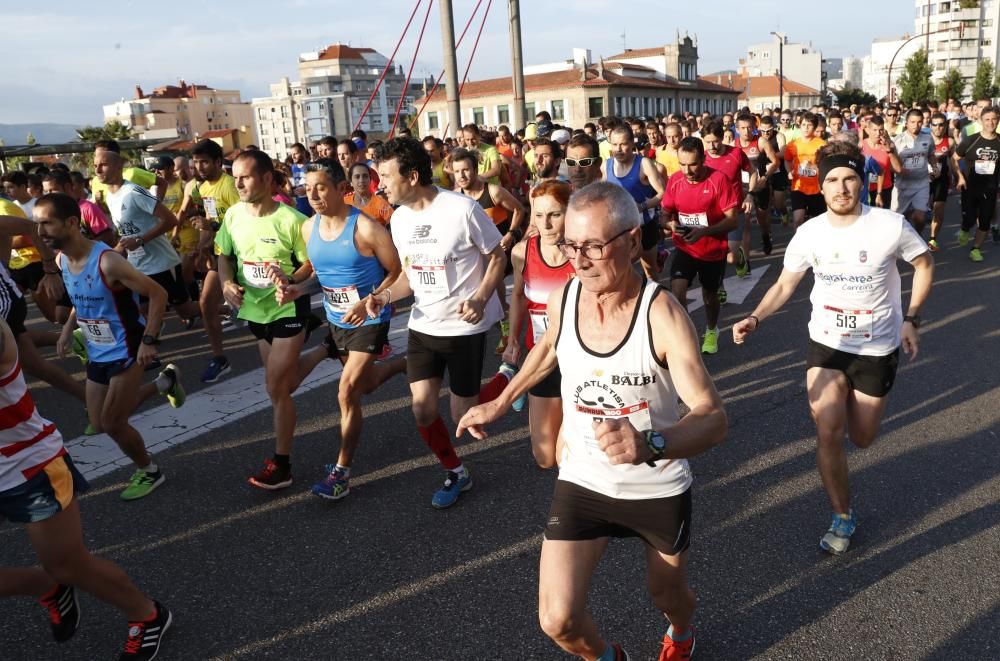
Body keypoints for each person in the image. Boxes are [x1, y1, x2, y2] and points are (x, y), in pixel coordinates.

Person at [457, 181, 728, 661]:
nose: (579, 260)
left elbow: (712, 418)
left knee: (667, 596)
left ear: (631, 242)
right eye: (570, 246)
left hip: (654, 484)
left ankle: (683, 632)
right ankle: (608, 658)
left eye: (594, 247)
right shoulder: (567, 296)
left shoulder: (661, 316)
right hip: (584, 478)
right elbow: (548, 351)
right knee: (556, 619)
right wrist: (501, 401)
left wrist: (651, 443)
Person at [734, 140, 933, 554]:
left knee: (860, 438)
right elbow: (785, 284)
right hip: (826, 342)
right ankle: (842, 516)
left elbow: (924, 264)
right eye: (832, 181)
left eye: (848, 179)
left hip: (877, 346)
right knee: (828, 430)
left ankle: (851, 407)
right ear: (820, 188)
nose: (841, 188)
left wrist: (912, 318)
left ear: (861, 183)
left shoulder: (889, 226)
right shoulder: (809, 234)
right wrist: (755, 317)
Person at [0, 315, 173, 660]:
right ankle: (45, 586)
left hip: (26, 465)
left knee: (68, 565)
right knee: (55, 573)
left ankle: (146, 614)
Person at [369, 137, 511, 508]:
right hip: (423, 326)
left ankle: (509, 379)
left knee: (462, 415)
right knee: (422, 408)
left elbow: (497, 254)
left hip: (463, 329)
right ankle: (456, 472)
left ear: (412, 176)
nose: (379, 185)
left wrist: (480, 297)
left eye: (385, 176)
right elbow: (409, 277)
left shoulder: (462, 209)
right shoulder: (398, 219)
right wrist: (383, 297)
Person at [272, 159, 406, 500]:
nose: (313, 195)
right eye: (309, 188)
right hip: (337, 318)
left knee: (346, 393)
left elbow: (397, 270)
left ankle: (341, 472)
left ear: (340, 190)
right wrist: (294, 287)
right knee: (368, 384)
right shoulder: (308, 228)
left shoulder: (365, 228)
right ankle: (410, 362)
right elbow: (316, 271)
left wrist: (372, 300)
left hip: (370, 317)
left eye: (321, 188)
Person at [36, 193, 185, 500]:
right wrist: (67, 329)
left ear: (72, 223)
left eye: (46, 223)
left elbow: (157, 294)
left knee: (113, 422)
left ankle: (149, 470)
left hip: (126, 347)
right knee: (98, 421)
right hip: (96, 350)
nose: (40, 232)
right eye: (37, 224)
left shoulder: (108, 261)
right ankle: (165, 383)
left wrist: (149, 341)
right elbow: (82, 299)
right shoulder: (63, 259)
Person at [215, 151, 317, 490]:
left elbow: (309, 265)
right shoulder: (232, 216)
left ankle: (282, 465)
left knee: (275, 387)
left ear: (268, 179)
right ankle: (325, 350)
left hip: (287, 308)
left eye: (245, 176)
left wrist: (290, 283)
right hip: (255, 311)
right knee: (282, 388)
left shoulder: (291, 219)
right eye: (235, 177)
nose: (238, 183)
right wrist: (227, 283)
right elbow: (224, 257)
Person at [93, 141, 202, 330]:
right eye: (95, 166)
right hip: (138, 265)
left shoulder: (134, 192)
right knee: (143, 310)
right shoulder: (109, 196)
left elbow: (171, 221)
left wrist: (141, 240)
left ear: (119, 166)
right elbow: (127, 229)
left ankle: (224, 309)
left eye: (103, 165)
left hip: (162, 264)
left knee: (186, 311)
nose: (98, 170)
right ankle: (151, 347)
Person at [503, 181, 575, 466]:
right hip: (541, 355)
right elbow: (519, 297)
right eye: (539, 214)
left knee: (565, 456)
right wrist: (513, 341)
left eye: (555, 215)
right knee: (544, 457)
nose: (545, 223)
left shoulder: (582, 253)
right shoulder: (523, 251)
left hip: (579, 359)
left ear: (570, 213)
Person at [661, 137, 740, 355]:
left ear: (704, 159)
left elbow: (733, 220)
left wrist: (704, 231)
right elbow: (664, 214)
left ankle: (712, 329)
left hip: (712, 250)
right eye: (682, 164)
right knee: (677, 291)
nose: (687, 170)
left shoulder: (719, 180)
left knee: (710, 295)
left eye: (693, 164)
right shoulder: (675, 180)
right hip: (685, 247)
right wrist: (669, 224)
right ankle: (687, 336)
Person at [451, 147, 526, 354]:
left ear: (475, 170)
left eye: (466, 170)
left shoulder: (492, 191)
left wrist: (511, 233)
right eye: (457, 172)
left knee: (497, 293)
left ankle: (507, 332)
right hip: (474, 254)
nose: (462, 176)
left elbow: (520, 209)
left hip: (498, 252)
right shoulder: (455, 197)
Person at [182, 139, 241, 383]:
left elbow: (243, 220)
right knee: (206, 302)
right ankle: (219, 358)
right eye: (196, 162)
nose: (200, 167)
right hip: (222, 254)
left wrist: (213, 225)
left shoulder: (229, 185)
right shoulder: (204, 188)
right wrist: (203, 247)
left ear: (218, 161)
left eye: (205, 161)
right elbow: (211, 220)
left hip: (243, 253)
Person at [600, 125, 666, 279]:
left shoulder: (644, 164)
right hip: (618, 229)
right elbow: (603, 194)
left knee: (650, 272)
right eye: (615, 144)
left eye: (623, 144)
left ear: (631, 144)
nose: (619, 149)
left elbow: (662, 192)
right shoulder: (606, 165)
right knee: (622, 267)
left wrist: (642, 206)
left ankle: (653, 296)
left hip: (644, 226)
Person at [954, 105, 1000, 262]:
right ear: (981, 121)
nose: (991, 122)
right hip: (970, 186)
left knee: (986, 219)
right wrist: (959, 177)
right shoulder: (971, 139)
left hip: (990, 187)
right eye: (987, 119)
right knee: (970, 218)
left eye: (994, 119)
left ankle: (976, 249)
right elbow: (954, 159)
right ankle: (965, 229)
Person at [736, 113, 781, 256]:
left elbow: (775, 162)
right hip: (743, 187)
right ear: (737, 129)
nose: (746, 131)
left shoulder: (760, 142)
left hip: (760, 186)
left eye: (749, 128)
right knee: (746, 223)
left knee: (762, 219)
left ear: (754, 128)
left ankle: (766, 236)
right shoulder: (733, 145)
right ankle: (745, 260)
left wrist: (765, 177)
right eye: (742, 128)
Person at [891, 109, 938, 235]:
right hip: (902, 185)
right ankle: (901, 242)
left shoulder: (927, 138)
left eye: (919, 122)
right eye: (912, 122)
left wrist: (935, 168)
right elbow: (891, 162)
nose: (915, 125)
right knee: (898, 220)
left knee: (920, 218)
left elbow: (931, 155)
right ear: (906, 123)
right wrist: (899, 170)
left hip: (921, 184)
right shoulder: (897, 140)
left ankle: (917, 237)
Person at [784, 112, 827, 227]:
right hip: (798, 186)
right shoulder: (793, 144)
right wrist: (789, 171)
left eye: (809, 125)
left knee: (817, 223)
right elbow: (787, 160)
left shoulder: (821, 144)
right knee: (798, 220)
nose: (806, 128)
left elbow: (825, 165)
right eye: (803, 125)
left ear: (814, 127)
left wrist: (813, 167)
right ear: (799, 125)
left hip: (816, 189)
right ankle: (797, 245)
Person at [861, 115, 901, 209]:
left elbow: (898, 169)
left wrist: (890, 151)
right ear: (868, 130)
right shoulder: (861, 145)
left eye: (881, 130)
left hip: (884, 189)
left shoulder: (889, 145)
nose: (878, 133)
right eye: (874, 130)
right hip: (865, 190)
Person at [927, 112, 954, 252]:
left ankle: (932, 239)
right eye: (935, 125)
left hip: (941, 180)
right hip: (924, 180)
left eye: (941, 125)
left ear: (945, 125)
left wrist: (956, 178)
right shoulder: (925, 139)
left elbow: (953, 162)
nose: (938, 128)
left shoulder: (949, 142)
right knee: (918, 212)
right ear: (930, 125)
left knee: (939, 211)